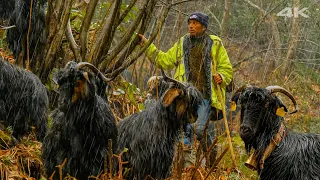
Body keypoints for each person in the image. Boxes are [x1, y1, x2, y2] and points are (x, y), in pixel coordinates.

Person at [138, 12, 233, 167]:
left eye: (195, 23)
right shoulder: (183, 42)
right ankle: (186, 166)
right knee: (184, 130)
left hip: (205, 96)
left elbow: (227, 68)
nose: (191, 26)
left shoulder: (215, 43)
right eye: (190, 23)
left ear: (204, 27)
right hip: (186, 97)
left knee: (200, 130)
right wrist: (147, 45)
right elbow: (164, 60)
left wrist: (222, 76)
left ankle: (211, 161)